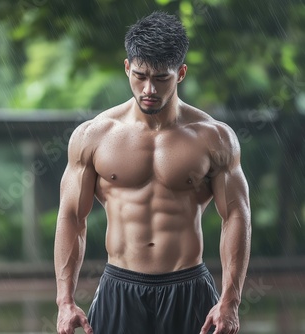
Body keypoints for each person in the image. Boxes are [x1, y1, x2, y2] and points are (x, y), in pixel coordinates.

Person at [54, 11, 251, 334]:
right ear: (127, 67)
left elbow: (237, 216)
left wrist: (230, 301)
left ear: (181, 74)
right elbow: (72, 217)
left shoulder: (213, 137)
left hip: (188, 287)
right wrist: (65, 302)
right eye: (141, 75)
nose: (149, 88)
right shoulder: (94, 136)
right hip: (120, 287)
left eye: (162, 78)